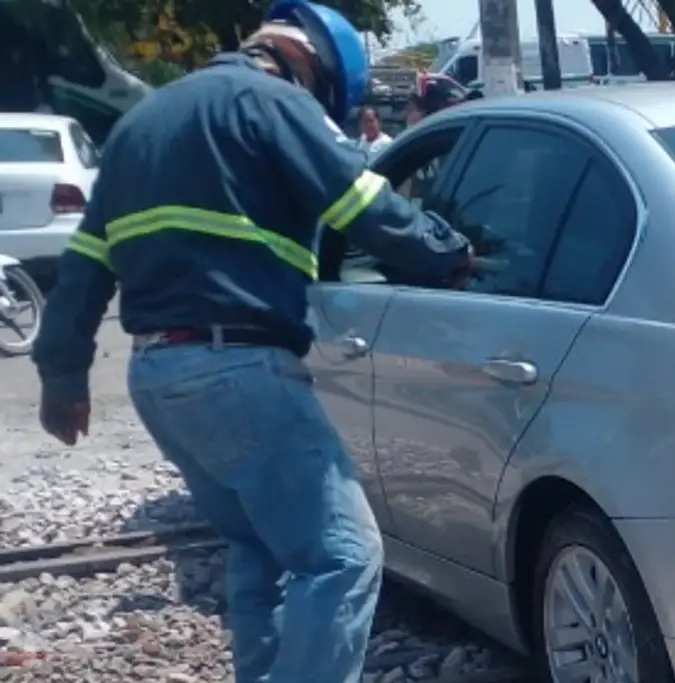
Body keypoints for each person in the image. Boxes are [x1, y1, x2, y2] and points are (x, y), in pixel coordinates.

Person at [29, 2, 473, 683]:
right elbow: (364, 206)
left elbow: (86, 266)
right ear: (310, 70)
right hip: (236, 366)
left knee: (259, 549)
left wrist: (63, 376)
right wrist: (450, 253)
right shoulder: (271, 104)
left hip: (157, 377)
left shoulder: (136, 127)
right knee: (343, 557)